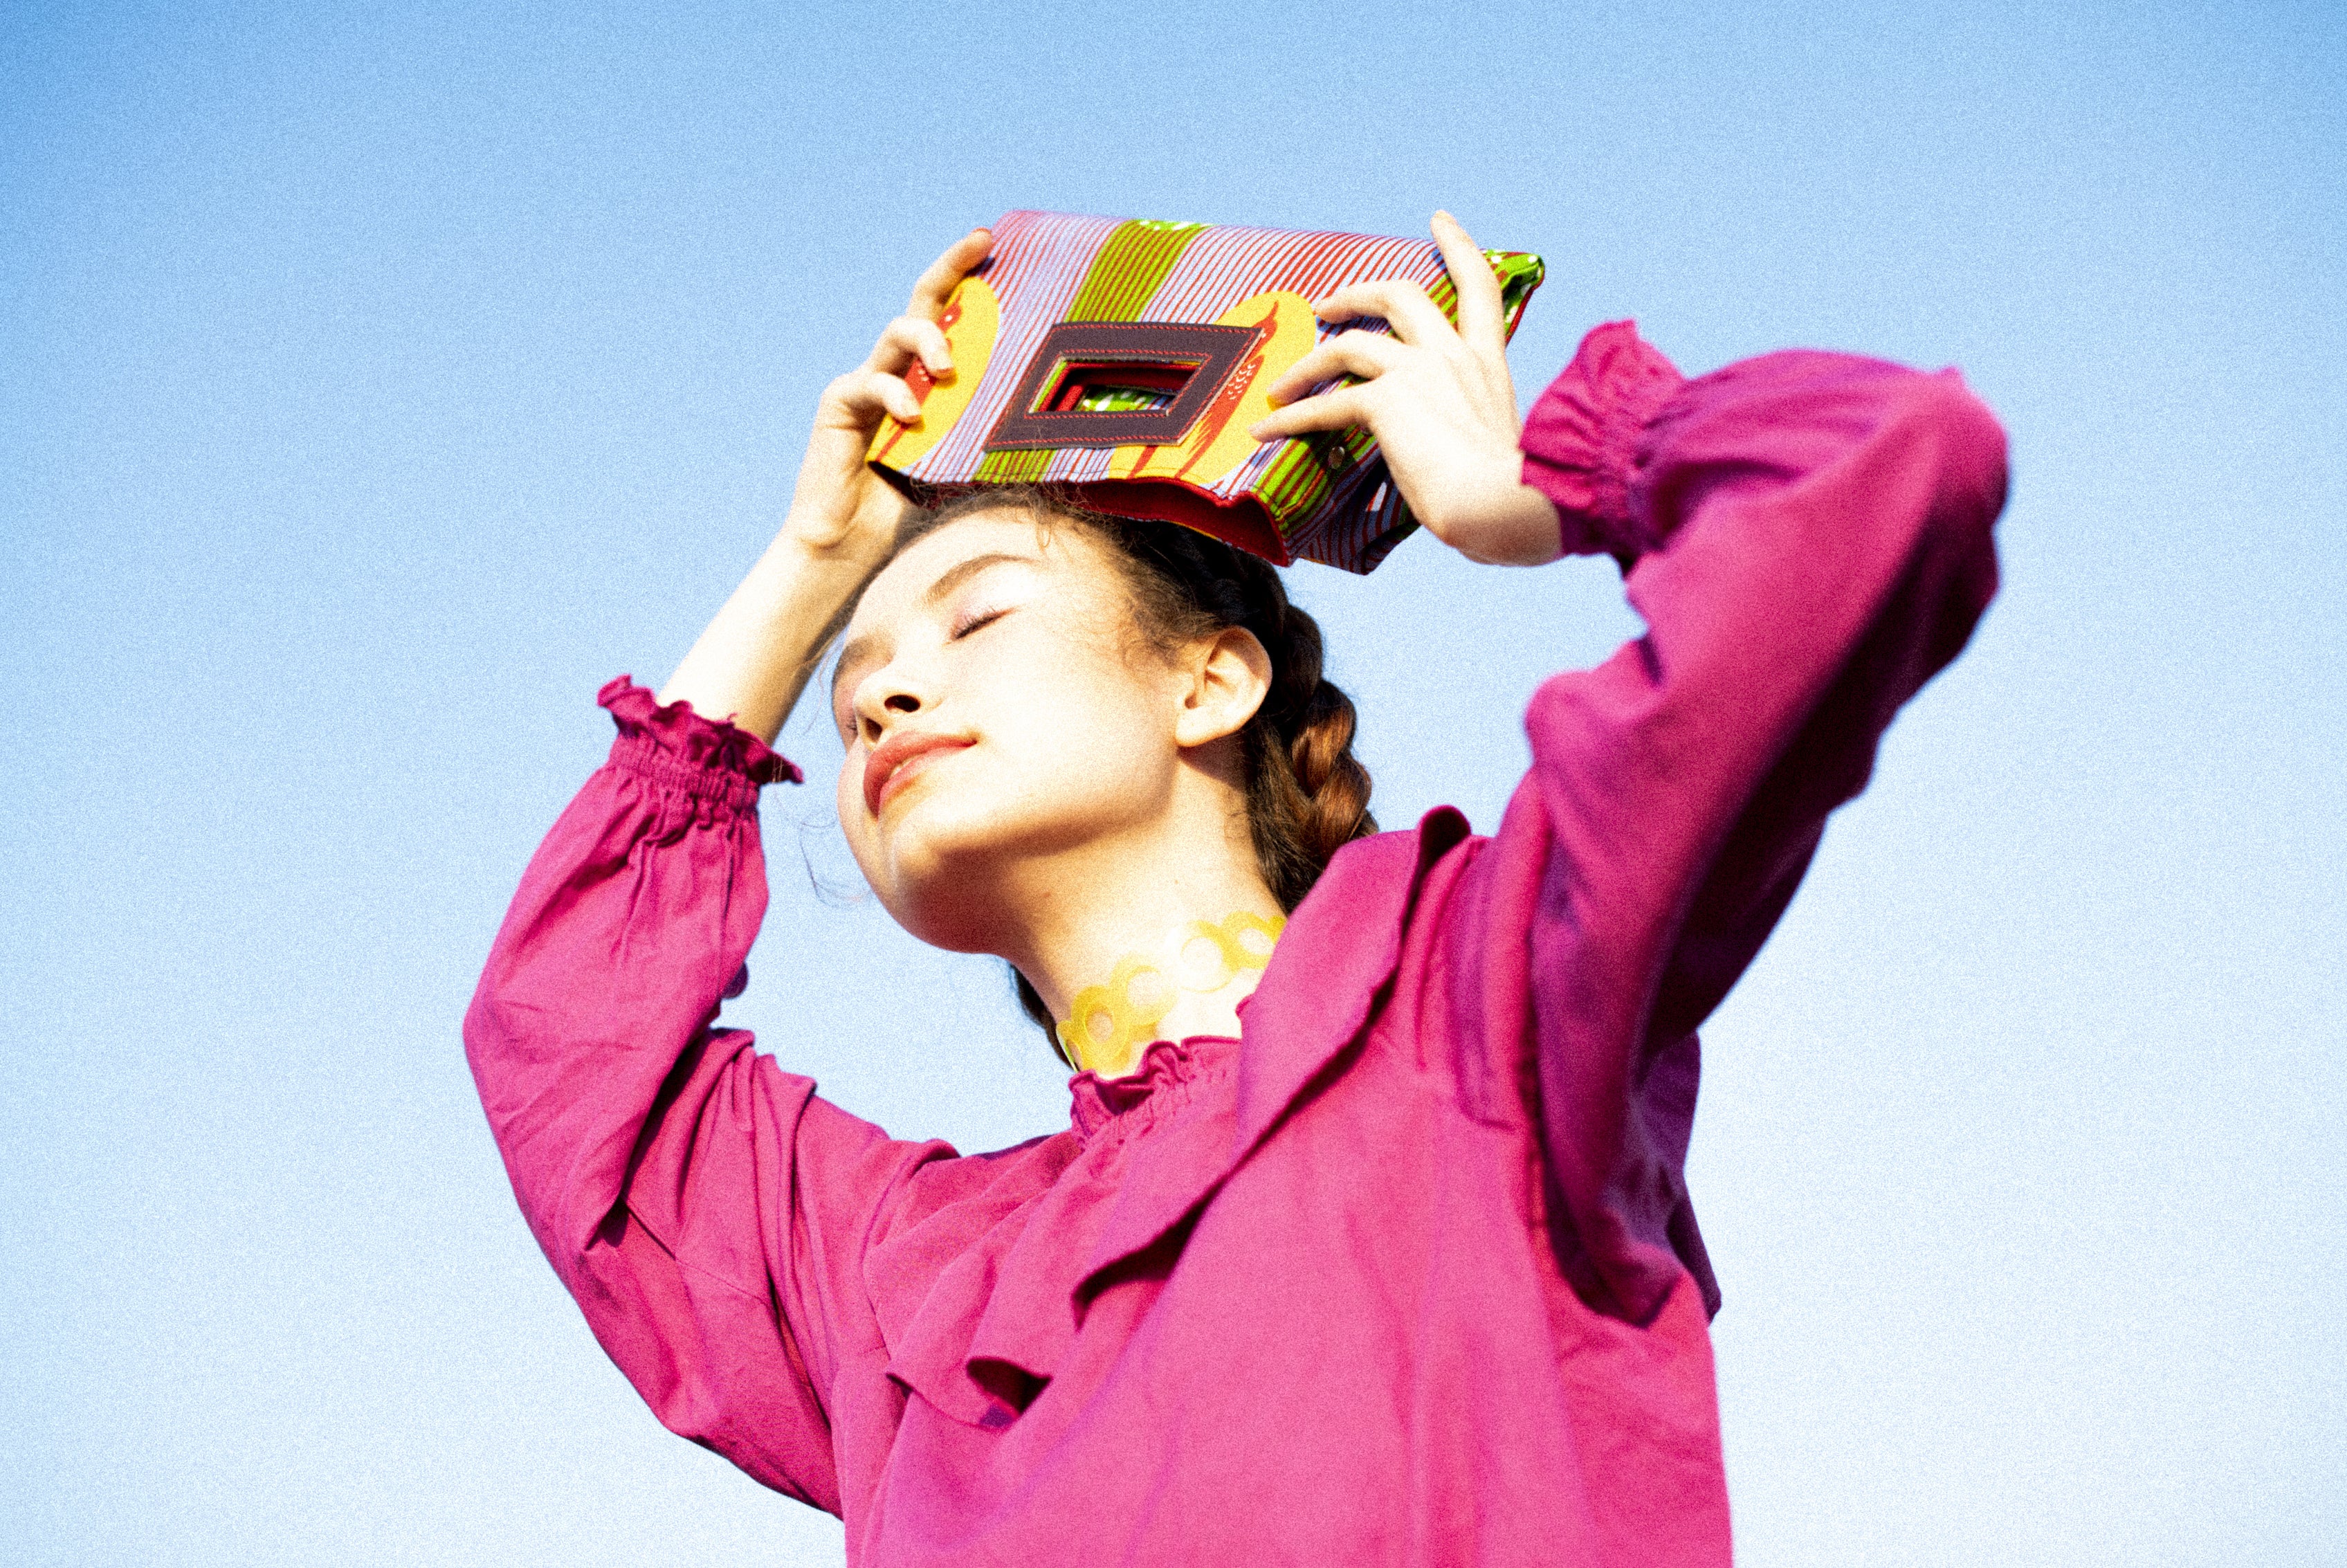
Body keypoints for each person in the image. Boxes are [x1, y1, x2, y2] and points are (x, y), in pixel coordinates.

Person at [465, 214, 2008, 1565]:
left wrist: (1521, 487)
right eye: (849, 680)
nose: (878, 697)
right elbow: (568, 1060)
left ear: (1210, 679)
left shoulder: (1475, 1002)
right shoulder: (902, 1274)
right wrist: (814, 560)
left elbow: (1890, 464)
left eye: (976, 619)